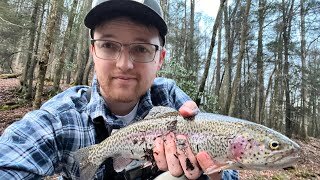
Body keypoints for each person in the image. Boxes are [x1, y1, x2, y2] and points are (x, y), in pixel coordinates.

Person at [0, 0, 238, 179]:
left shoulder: (172, 99)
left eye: (142, 49)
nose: (124, 64)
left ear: (160, 59)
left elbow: (231, 173)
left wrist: (210, 173)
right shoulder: (60, 119)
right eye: (108, 45)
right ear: (93, 51)